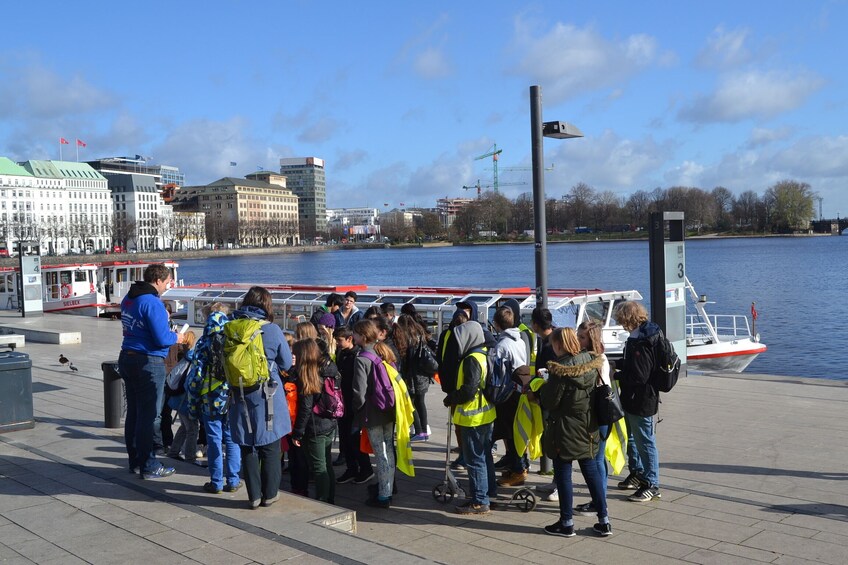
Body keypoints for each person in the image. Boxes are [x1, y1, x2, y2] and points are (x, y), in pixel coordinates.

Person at [523, 327, 610, 537]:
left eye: (553, 344)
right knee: (591, 471)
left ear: (559, 344)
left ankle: (566, 522)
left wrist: (541, 386)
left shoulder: (559, 370)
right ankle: (604, 520)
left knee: (563, 474)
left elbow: (551, 402)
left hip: (563, 428)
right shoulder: (591, 362)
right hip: (587, 426)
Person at [119, 263, 188, 479]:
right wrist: (176, 338)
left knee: (134, 413)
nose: (169, 285)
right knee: (148, 416)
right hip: (148, 361)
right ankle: (149, 465)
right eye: (168, 281)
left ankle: (135, 462)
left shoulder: (128, 298)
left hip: (127, 356)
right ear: (158, 281)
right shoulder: (153, 303)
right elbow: (161, 338)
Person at [228, 286, 293, 509]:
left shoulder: (230, 327)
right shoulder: (272, 330)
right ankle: (270, 494)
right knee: (271, 444)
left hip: (239, 393)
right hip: (268, 394)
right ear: (266, 305)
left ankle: (253, 496)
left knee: (247, 444)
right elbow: (286, 363)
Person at [185, 307, 242, 494]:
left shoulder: (203, 344)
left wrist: (192, 404)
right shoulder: (231, 342)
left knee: (214, 440)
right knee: (232, 439)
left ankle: (216, 482)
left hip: (210, 400)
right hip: (231, 398)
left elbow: (195, 377)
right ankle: (233, 480)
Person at [443, 320, 497, 515]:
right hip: (486, 413)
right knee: (485, 457)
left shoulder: (471, 359)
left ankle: (480, 501)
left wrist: (451, 398)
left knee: (475, 460)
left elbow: (468, 390)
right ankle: (489, 493)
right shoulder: (484, 354)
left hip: (473, 417)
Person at [613, 301, 662, 503]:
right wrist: (617, 364)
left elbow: (639, 375)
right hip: (634, 397)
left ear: (627, 319)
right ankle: (638, 473)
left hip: (642, 398)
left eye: (620, 319)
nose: (619, 323)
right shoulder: (640, 337)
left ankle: (652, 483)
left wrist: (617, 374)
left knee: (645, 441)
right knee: (633, 438)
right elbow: (636, 366)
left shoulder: (642, 340)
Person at [351, 319, 396, 509]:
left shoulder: (362, 359)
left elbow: (358, 393)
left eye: (354, 333)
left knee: (381, 454)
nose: (352, 336)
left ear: (362, 336)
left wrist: (356, 411)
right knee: (388, 451)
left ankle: (384, 495)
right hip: (388, 409)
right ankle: (388, 487)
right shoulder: (382, 352)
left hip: (372, 413)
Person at [291, 338, 340, 504]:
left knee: (319, 467)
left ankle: (323, 500)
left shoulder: (308, 376)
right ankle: (330, 498)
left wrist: (297, 433)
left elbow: (305, 409)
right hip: (329, 422)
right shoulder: (327, 368)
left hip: (315, 427)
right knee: (326, 464)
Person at [573, 319, 612, 517]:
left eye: (581, 337)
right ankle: (600, 499)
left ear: (590, 339)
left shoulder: (592, 359)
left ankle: (599, 502)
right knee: (599, 458)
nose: (577, 340)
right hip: (605, 413)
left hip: (597, 413)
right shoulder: (601, 356)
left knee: (595, 459)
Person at [491, 307, 529, 487]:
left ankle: (518, 470)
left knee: (510, 432)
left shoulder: (501, 345)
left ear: (496, 324)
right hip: (520, 388)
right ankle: (520, 465)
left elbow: (496, 371)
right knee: (516, 432)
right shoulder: (520, 340)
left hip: (508, 393)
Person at [333, 326, 374, 484]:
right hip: (343, 401)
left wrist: (359, 405)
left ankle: (366, 468)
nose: (337, 343)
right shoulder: (342, 353)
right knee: (345, 438)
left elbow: (360, 383)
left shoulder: (358, 355)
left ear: (349, 339)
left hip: (354, 404)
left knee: (354, 438)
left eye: (339, 340)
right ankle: (352, 469)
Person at [394, 314, 433, 442]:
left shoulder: (408, 338)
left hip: (413, 376)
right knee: (421, 403)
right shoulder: (420, 334)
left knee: (411, 403)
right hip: (423, 375)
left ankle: (419, 431)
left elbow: (408, 360)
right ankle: (424, 431)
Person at [165, 331, 199, 464]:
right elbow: (189, 384)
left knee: (185, 427)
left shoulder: (185, 357)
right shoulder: (194, 359)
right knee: (192, 429)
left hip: (177, 398)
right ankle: (190, 456)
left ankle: (173, 451)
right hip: (185, 400)